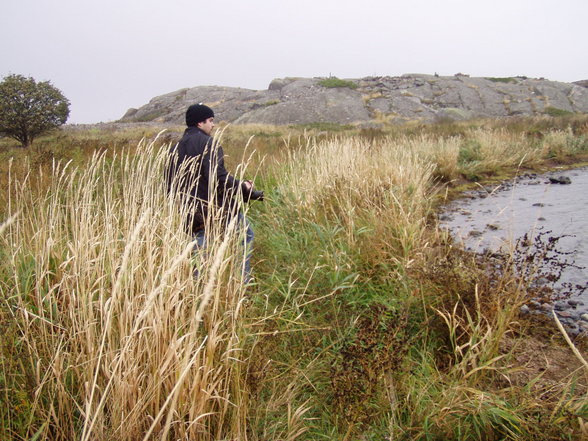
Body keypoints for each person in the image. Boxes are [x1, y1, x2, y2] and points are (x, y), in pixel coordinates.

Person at [167, 103, 263, 281]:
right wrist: (243, 187)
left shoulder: (174, 149)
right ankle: (241, 281)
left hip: (188, 209)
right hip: (215, 207)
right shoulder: (208, 143)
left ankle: (199, 288)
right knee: (245, 235)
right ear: (199, 123)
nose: (213, 125)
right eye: (210, 121)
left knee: (200, 245)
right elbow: (218, 177)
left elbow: (170, 183)